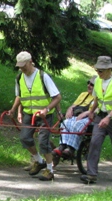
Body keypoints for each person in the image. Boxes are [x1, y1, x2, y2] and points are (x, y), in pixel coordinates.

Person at [6, 51, 62, 182]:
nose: (21, 69)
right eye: (19, 66)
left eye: (23, 66)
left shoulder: (43, 76)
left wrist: (46, 109)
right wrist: (13, 110)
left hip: (44, 115)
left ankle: (49, 170)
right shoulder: (19, 77)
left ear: (30, 62)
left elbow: (57, 97)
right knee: (25, 138)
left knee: (43, 142)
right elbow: (19, 96)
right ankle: (38, 161)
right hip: (28, 114)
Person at [80, 56, 112, 184]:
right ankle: (91, 174)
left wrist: (109, 118)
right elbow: (97, 99)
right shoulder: (98, 80)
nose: (98, 73)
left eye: (101, 71)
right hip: (101, 116)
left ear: (109, 69)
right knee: (94, 143)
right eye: (97, 70)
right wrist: (92, 112)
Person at [52, 77, 96, 164]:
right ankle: (62, 146)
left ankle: (71, 149)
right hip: (77, 115)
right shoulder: (83, 94)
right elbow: (74, 105)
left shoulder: (98, 97)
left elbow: (96, 109)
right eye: (88, 83)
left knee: (77, 125)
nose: (89, 86)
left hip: (89, 117)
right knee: (65, 123)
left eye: (92, 85)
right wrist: (69, 110)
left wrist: (85, 113)